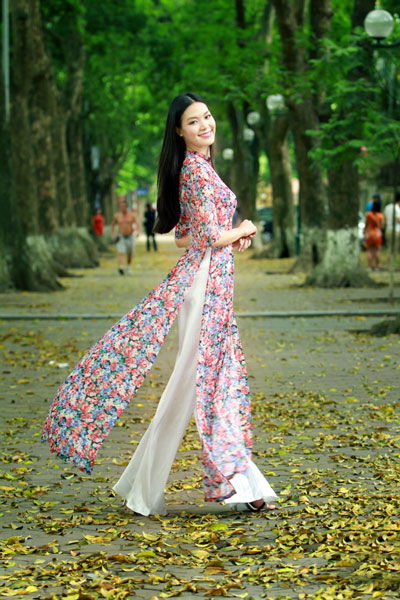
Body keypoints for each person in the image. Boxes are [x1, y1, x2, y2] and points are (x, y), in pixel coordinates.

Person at [42, 92, 277, 516]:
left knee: (200, 387)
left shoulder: (198, 167)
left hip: (210, 286)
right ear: (179, 131)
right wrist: (244, 227)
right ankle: (232, 487)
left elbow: (186, 236)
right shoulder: (196, 170)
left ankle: (148, 487)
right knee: (203, 387)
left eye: (207, 117)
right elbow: (208, 238)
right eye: (193, 122)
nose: (205, 125)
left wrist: (231, 237)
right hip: (204, 289)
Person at [111, 197, 140, 275]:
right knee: (121, 251)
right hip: (121, 237)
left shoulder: (132, 215)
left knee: (130, 253)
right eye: (121, 207)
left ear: (126, 207)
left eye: (123, 207)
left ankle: (128, 267)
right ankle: (121, 267)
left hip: (130, 236)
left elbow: (138, 224)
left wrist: (137, 232)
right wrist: (114, 235)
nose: (122, 208)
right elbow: (112, 225)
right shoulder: (117, 216)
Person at [364, 194, 385, 270]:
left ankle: (370, 265)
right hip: (377, 234)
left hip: (369, 233)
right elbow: (382, 226)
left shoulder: (368, 215)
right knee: (377, 250)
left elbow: (366, 224)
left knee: (369, 250)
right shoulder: (381, 215)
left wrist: (365, 232)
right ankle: (377, 265)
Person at [383, 193, 400, 259]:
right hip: (396, 230)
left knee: (389, 247)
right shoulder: (397, 208)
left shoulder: (387, 207)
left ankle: (389, 263)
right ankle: (392, 262)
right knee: (395, 248)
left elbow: (384, 218)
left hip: (388, 229)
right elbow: (398, 219)